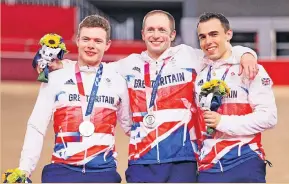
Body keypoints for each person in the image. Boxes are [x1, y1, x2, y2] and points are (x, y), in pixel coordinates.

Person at [43, 10, 259, 183]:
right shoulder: (128, 65)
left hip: (183, 160)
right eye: (151, 30)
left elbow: (218, 50)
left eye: (162, 30)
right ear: (143, 34)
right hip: (140, 162)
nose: (156, 35)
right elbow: (95, 68)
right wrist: (62, 65)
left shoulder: (190, 56)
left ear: (172, 35)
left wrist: (247, 54)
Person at [16, 15, 131, 183]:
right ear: (77, 40)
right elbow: (37, 126)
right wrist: (24, 169)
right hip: (61, 171)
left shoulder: (117, 81)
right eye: (86, 39)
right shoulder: (56, 78)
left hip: (103, 173)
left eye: (98, 41)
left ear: (107, 45)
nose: (91, 45)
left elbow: (130, 127)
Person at [195, 12, 277, 183]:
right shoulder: (199, 72)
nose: (208, 41)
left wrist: (222, 122)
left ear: (228, 34)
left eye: (214, 34)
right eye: (202, 37)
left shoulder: (250, 69)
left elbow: (269, 118)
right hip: (208, 166)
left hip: (244, 160)